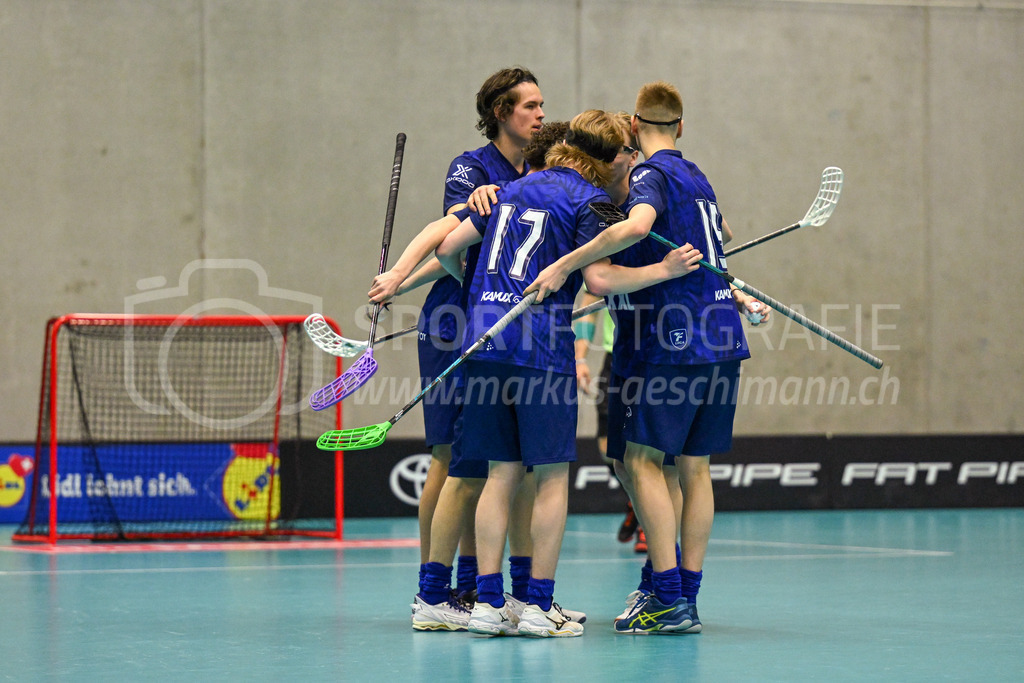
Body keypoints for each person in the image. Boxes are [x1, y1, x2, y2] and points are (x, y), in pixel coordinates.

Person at [436, 109, 701, 638]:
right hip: (539, 352)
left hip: (484, 342)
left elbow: (447, 249)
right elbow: (600, 278)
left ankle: (489, 605)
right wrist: (664, 270)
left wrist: (480, 296)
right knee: (552, 478)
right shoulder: (589, 201)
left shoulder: (510, 187)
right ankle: (537, 606)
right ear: (605, 161)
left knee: (500, 474)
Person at [528, 81, 768, 634]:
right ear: (681, 127)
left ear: (634, 128)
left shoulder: (647, 178)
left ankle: (668, 596)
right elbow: (717, 240)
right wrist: (735, 292)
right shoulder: (698, 178)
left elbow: (637, 232)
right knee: (691, 467)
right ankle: (679, 589)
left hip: (671, 340)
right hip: (720, 339)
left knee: (638, 461)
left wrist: (565, 265)